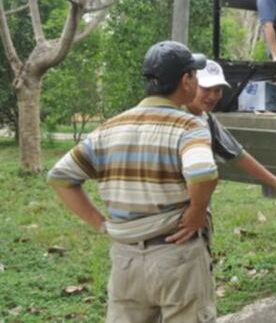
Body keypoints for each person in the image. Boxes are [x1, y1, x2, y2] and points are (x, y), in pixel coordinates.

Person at [47, 41, 218, 322]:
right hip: (176, 257)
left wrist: (99, 223)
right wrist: (198, 211)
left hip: (125, 259)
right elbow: (202, 173)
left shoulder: (109, 127)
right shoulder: (188, 125)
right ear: (186, 80)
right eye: (195, 75)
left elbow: (60, 177)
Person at [186, 59, 276, 203]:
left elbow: (237, 153)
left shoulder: (207, 119)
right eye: (206, 89)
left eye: (217, 90)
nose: (212, 96)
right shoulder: (176, 117)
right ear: (190, 85)